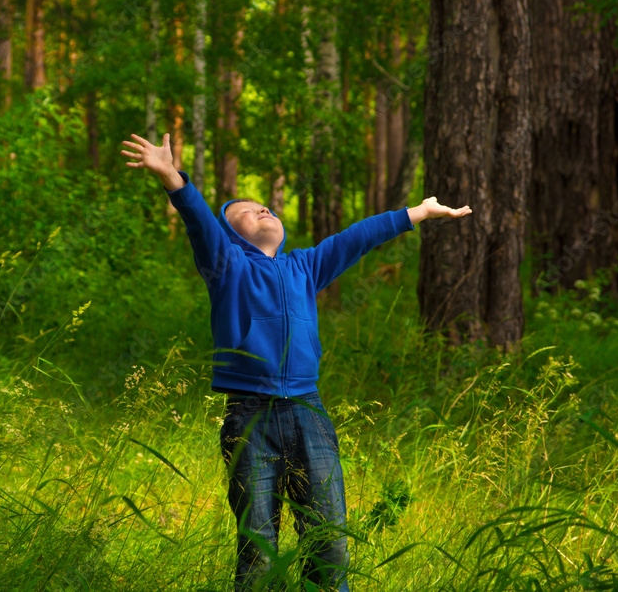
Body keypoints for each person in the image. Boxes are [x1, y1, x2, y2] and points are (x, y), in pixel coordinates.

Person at [120, 132, 472, 591]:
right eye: (246, 211)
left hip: (309, 413)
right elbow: (200, 223)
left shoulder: (305, 266)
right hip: (250, 418)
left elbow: (355, 238)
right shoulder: (228, 267)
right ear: (231, 235)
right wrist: (172, 177)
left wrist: (417, 213)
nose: (262, 210)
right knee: (258, 547)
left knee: (329, 539)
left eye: (266, 206)